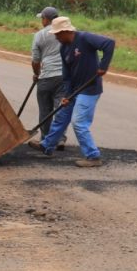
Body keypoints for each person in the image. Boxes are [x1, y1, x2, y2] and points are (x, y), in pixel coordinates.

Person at [29, 16, 115, 167]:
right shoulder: (64, 48)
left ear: (65, 31)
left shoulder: (85, 38)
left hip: (89, 89)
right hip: (74, 90)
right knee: (61, 117)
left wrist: (103, 66)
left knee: (79, 122)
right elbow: (67, 75)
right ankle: (47, 146)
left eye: (57, 34)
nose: (55, 37)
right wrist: (67, 95)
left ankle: (93, 156)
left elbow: (109, 43)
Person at [29, 6, 67, 149]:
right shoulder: (65, 31)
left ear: (46, 19)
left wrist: (36, 74)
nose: (41, 21)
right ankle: (60, 138)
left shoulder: (39, 35)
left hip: (46, 77)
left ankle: (45, 139)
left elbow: (36, 60)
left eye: (42, 19)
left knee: (45, 110)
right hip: (63, 75)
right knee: (60, 108)